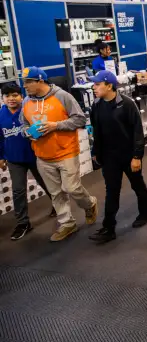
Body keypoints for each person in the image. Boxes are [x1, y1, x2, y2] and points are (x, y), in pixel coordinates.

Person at [20, 67, 98, 242]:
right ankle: (67, 224)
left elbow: (80, 119)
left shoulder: (63, 96)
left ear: (40, 81)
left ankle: (89, 203)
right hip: (42, 156)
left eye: (28, 82)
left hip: (66, 152)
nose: (24, 86)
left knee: (72, 188)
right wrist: (28, 133)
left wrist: (56, 125)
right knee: (55, 193)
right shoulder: (26, 102)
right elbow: (23, 125)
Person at [88, 70, 147, 243]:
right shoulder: (97, 105)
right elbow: (97, 131)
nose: (94, 87)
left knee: (137, 185)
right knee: (111, 191)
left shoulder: (127, 104)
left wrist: (137, 156)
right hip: (109, 158)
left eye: (97, 84)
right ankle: (109, 227)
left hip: (129, 156)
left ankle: (145, 213)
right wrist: (95, 152)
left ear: (109, 86)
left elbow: (138, 132)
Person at [0, 83, 54, 240]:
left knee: (47, 183)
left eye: (15, 95)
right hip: (14, 159)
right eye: (7, 95)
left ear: (21, 96)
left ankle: (59, 208)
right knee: (18, 191)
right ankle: (23, 223)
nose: (11, 98)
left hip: (34, 155)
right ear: (3, 98)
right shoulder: (1, 114)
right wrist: (1, 157)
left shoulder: (29, 109)